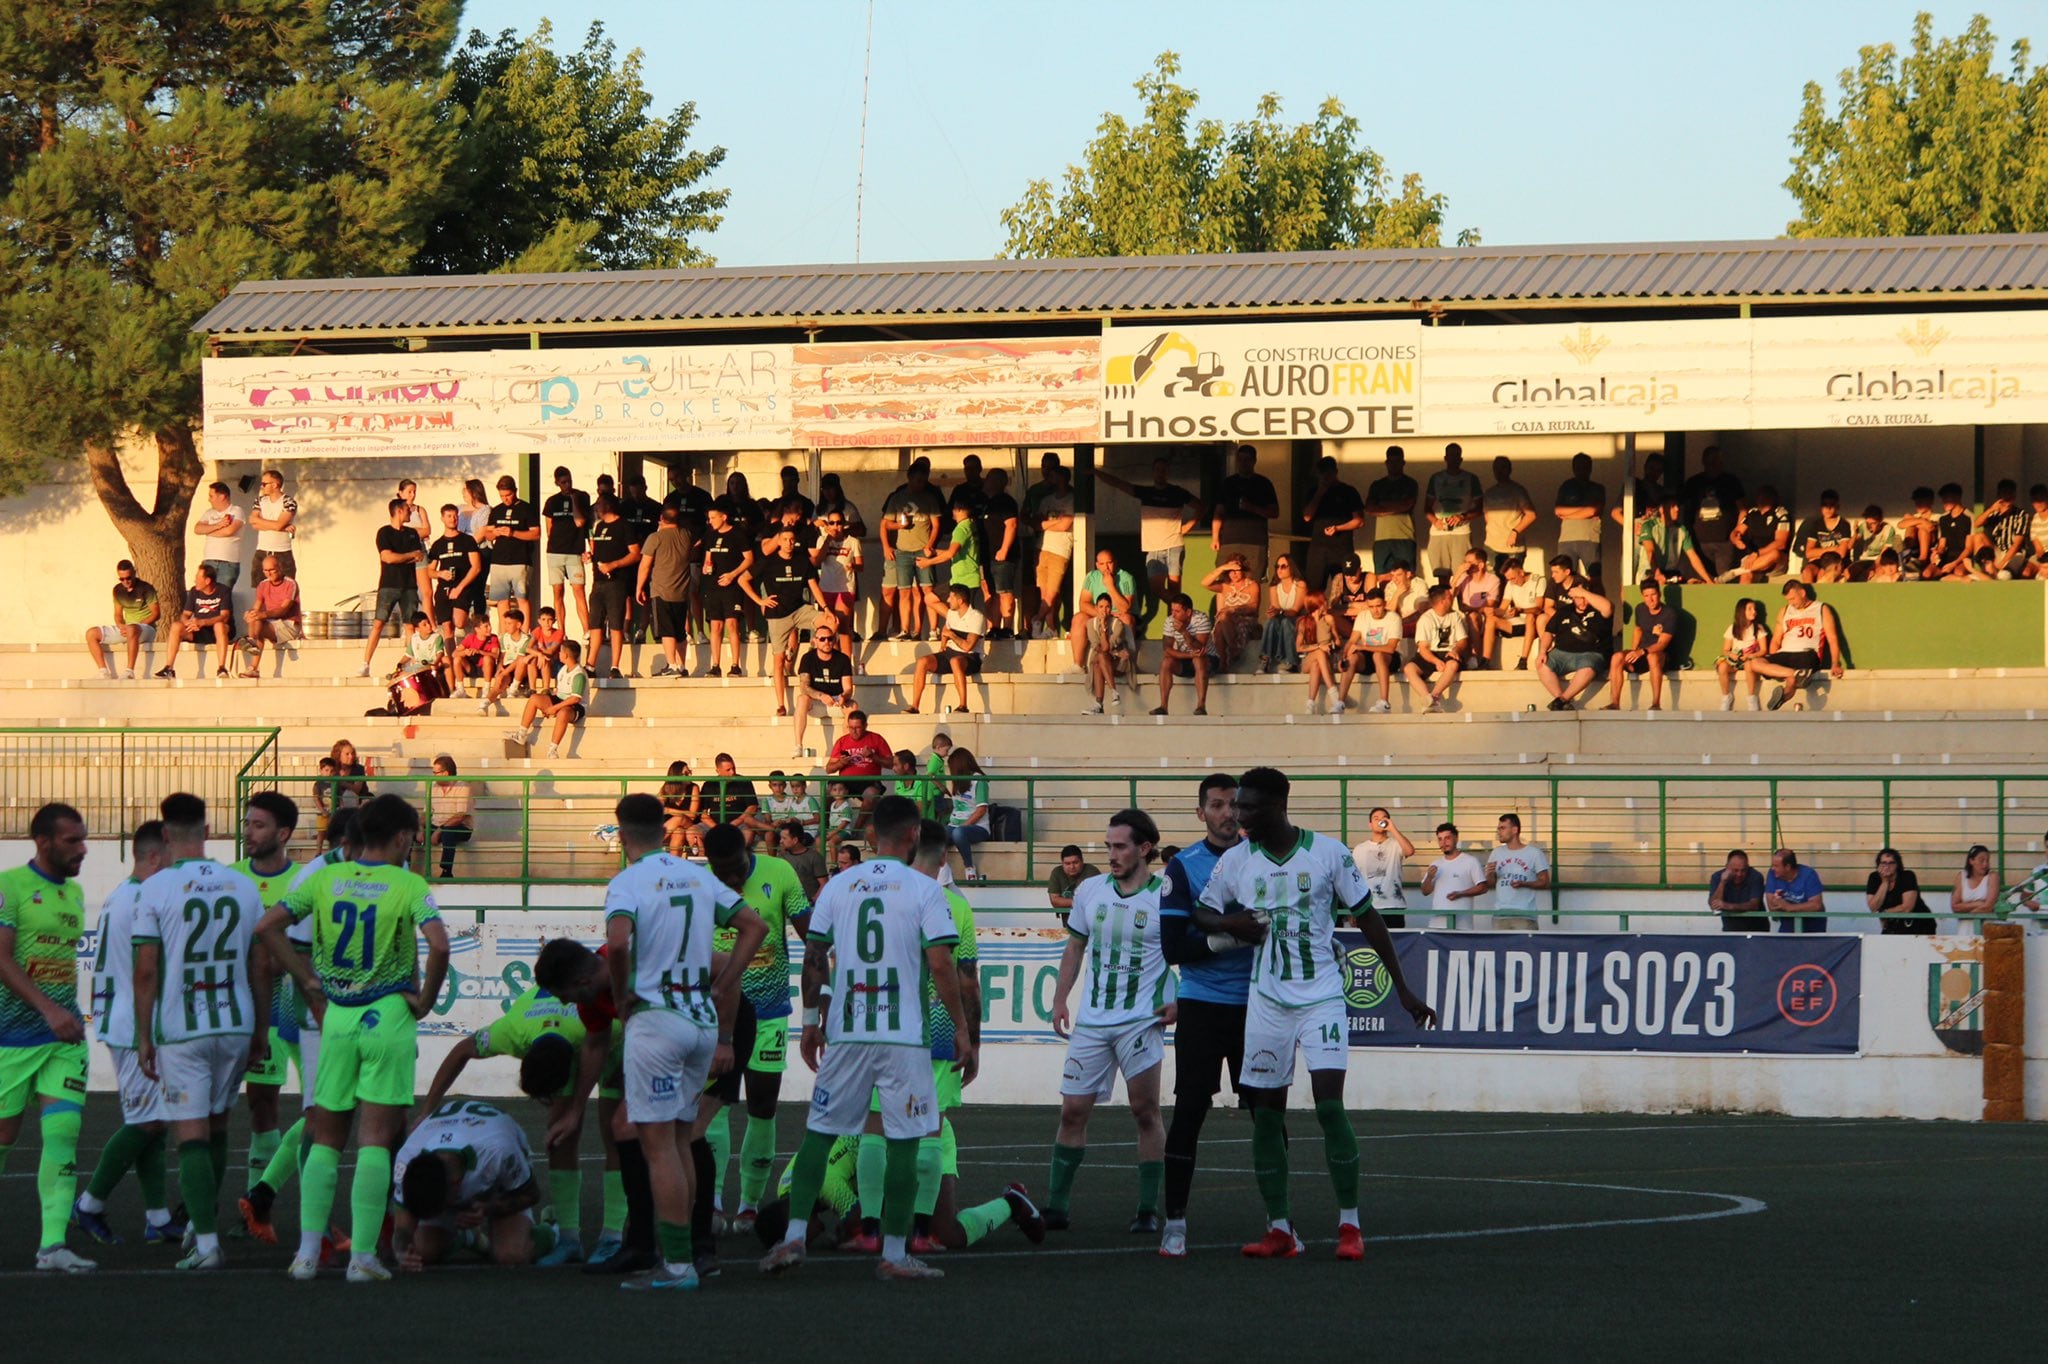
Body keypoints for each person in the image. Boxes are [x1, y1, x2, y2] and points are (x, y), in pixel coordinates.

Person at [1191, 767, 1432, 1260]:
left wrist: (1402, 989)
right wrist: (1228, 921)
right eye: (1236, 806)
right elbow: (1201, 912)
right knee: (1264, 1116)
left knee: (1328, 1106)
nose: (1238, 815)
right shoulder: (1237, 860)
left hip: (1321, 995)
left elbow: (1367, 916)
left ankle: (1350, 1226)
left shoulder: (1329, 853)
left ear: (1279, 805)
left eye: (1248, 807)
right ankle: (1279, 1228)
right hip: (1266, 1003)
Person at [759, 795, 974, 1282]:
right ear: (915, 834)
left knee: (820, 1131)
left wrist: (811, 1020)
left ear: (872, 835)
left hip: (849, 1030)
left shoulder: (838, 885)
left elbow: (814, 955)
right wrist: (961, 1028)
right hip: (904, 1036)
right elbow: (942, 964)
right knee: (903, 1141)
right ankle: (895, 1254)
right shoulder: (924, 890)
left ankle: (793, 1235)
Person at [258, 793, 450, 1282]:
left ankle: (305, 1254)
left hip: (337, 1016)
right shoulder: (408, 883)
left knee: (325, 1138)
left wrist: (306, 979)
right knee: (376, 1139)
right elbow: (440, 945)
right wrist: (424, 1001)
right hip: (387, 1014)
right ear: (403, 836)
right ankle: (362, 1257)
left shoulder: (324, 877)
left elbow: (269, 926)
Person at [590, 794, 765, 1291]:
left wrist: (622, 995)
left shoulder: (627, 881)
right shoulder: (696, 875)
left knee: (658, 1145)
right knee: (684, 1137)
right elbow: (755, 927)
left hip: (657, 1020)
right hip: (700, 1019)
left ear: (622, 835)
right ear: (664, 830)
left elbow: (619, 943)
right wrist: (726, 982)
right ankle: (686, 1255)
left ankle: (678, 1265)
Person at [128, 793, 266, 1270]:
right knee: (220, 1124)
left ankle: (206, 1244)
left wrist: (144, 1037)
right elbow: (258, 963)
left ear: (165, 836)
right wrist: (260, 1031)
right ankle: (200, 1221)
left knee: (190, 1135)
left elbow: (146, 971)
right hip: (235, 1020)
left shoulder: (157, 888)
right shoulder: (243, 885)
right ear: (209, 832)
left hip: (183, 1027)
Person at [1044, 809, 1173, 1234]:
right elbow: (1075, 947)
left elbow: (1187, 956)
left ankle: (1146, 1210)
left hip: (1141, 1020)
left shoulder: (1165, 896)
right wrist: (1061, 999)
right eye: (1108, 846)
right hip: (1093, 1022)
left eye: (1119, 847)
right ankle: (1057, 1207)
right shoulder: (1090, 890)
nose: (1112, 855)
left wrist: (1180, 1000)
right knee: (1072, 1111)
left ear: (1144, 849)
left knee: (1144, 1111)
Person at [70, 820, 180, 1250]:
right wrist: (146, 1032)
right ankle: (90, 1203)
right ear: (155, 856)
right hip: (135, 1027)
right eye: (170, 857)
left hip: (128, 1022)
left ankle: (157, 1218)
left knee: (154, 1122)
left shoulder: (123, 894)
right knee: (147, 1121)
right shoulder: (143, 900)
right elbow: (144, 970)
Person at [1152, 774, 1245, 1257]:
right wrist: (1233, 937)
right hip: (1203, 1004)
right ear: (1201, 813)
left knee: (1269, 1115)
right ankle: (1175, 1222)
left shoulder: (1264, 861)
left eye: (1233, 804)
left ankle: (1280, 1220)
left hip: (1260, 1006)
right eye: (1217, 804)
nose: (1227, 812)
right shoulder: (1184, 867)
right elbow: (1172, 946)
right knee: (1189, 1112)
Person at [703, 821, 811, 1236]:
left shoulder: (780, 872)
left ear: (747, 852)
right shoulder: (699, 884)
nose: (729, 879)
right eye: (720, 871)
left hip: (768, 1012)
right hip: (715, 1015)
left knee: (762, 1106)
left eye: (735, 868)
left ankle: (749, 1204)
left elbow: (811, 935)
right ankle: (710, 1199)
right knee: (712, 1104)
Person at [392, 1099, 548, 1270]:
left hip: (500, 1184)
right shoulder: (407, 1159)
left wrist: (489, 1207)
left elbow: (531, 1193)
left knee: (511, 1255)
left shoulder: (498, 1150)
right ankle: (467, 1237)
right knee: (421, 1252)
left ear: (456, 1186)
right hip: (457, 1141)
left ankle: (551, 1230)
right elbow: (403, 1228)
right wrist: (401, 1251)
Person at [1100, 455, 1203, 605]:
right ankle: (1184, 611)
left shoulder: (1177, 492)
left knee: (1174, 591)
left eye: (1163, 470)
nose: (1160, 473)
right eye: (1157, 470)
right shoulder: (1146, 492)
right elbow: (1119, 483)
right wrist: (1096, 472)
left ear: (1167, 472)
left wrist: (1188, 526)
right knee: (1157, 589)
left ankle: (1176, 624)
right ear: (1153, 472)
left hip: (1174, 546)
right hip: (1153, 549)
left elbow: (1201, 507)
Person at [758, 523, 834, 716]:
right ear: (779, 541)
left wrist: (826, 608)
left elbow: (814, 586)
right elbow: (743, 579)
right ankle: (781, 704)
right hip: (778, 615)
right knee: (778, 659)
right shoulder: (769, 561)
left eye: (792, 540)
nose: (789, 543)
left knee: (831, 623)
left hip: (799, 609)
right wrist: (760, 600)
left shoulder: (802, 561)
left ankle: (814, 658)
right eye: (785, 540)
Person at [1742, 579, 1845, 711]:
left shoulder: (1821, 609)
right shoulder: (1785, 611)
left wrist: (1835, 663)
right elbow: (1776, 640)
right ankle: (1794, 678)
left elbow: (1832, 638)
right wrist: (1774, 663)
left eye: (1793, 599)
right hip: (1785, 653)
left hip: (1807, 653)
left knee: (1791, 681)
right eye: (1788, 600)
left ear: (1802, 593)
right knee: (1754, 663)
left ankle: (1789, 685)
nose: (1791, 603)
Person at [882, 457, 947, 642]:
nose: (921, 484)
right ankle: (905, 629)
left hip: (922, 550)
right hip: (902, 551)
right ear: (909, 477)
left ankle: (929, 630)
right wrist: (899, 527)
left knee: (926, 590)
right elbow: (886, 524)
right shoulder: (897, 497)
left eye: (924, 480)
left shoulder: (930, 497)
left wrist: (930, 545)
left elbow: (936, 525)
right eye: (918, 480)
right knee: (904, 591)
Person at [361, 497, 425, 677]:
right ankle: (365, 664)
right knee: (379, 623)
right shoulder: (384, 533)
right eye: (407, 509)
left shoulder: (412, 534)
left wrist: (402, 556)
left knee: (410, 626)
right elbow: (387, 557)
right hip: (389, 584)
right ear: (398, 511)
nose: (410, 512)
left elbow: (418, 556)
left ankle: (410, 665)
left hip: (409, 586)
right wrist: (408, 556)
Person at [1536, 571, 1613, 711]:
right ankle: (1561, 700)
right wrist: (1542, 651)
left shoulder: (1599, 609)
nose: (1582, 602)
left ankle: (1562, 700)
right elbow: (1549, 632)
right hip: (1562, 653)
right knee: (1541, 664)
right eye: (1578, 598)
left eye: (1584, 598)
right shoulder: (1564, 611)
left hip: (1590, 654)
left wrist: (1584, 592)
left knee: (1588, 668)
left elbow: (1608, 607)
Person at [906, 583, 986, 716]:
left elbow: (968, 646)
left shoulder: (976, 617)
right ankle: (914, 706)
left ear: (960, 601)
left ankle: (963, 705)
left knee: (955, 661)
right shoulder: (952, 614)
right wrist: (943, 644)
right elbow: (945, 630)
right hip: (950, 652)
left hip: (971, 656)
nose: (948, 600)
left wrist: (952, 636)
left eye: (951, 597)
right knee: (922, 661)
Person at [700, 497, 758, 677]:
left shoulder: (737, 534)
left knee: (732, 624)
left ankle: (735, 665)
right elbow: (708, 557)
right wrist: (706, 566)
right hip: (713, 586)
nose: (710, 521)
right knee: (715, 625)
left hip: (732, 587)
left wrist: (733, 575)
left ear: (724, 517)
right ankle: (715, 665)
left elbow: (749, 558)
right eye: (709, 518)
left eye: (713, 518)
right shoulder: (710, 534)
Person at [586, 496, 641, 679]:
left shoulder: (624, 526)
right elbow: (598, 552)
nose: (597, 507)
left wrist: (614, 565)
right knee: (595, 624)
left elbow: (635, 554)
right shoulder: (599, 526)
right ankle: (590, 665)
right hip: (598, 581)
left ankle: (615, 666)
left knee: (616, 624)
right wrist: (589, 556)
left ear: (608, 506)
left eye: (600, 504)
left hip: (616, 583)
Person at [635, 506, 694, 678]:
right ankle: (682, 665)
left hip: (662, 590)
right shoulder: (686, 535)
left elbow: (645, 565)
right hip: (682, 591)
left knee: (667, 629)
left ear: (661, 518)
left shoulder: (655, 538)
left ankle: (672, 664)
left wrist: (639, 587)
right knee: (680, 631)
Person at [1603, 579, 1679, 711]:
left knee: (1652, 657)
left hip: (1661, 656)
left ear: (1659, 595)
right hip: (1642, 653)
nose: (1650, 599)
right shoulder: (1640, 609)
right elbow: (1637, 629)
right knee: (1617, 657)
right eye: (1646, 596)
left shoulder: (1669, 613)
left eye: (1653, 595)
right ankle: (1614, 703)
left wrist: (1642, 651)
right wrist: (1634, 651)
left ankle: (1656, 703)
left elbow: (1662, 643)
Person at [479, 475, 541, 631]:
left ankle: (525, 633)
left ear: (515, 491)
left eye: (508, 495)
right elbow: (488, 534)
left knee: (522, 599)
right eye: (502, 496)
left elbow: (536, 534)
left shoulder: (526, 508)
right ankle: (504, 635)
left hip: (520, 560)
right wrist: (496, 533)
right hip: (499, 561)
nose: (506, 499)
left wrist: (513, 533)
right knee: (501, 600)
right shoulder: (497, 510)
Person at [153, 562, 235, 678]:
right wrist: (189, 623)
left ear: (207, 581)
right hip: (200, 630)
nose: (195, 581)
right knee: (176, 626)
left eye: (197, 578)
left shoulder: (223, 590)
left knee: (219, 626)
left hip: (219, 630)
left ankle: (221, 668)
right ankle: (169, 668)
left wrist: (203, 622)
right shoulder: (194, 591)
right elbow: (185, 614)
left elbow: (224, 616)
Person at [1298, 454, 1365, 594]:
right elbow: (1307, 517)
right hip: (1318, 549)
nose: (1326, 477)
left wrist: (1338, 528)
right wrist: (1320, 493)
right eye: (1322, 474)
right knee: (1314, 588)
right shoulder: (1313, 492)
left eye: (1328, 473)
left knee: (1342, 588)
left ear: (1335, 472)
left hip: (1342, 548)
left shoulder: (1348, 492)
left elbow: (1359, 521)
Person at [1026, 456, 1076, 640]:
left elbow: (1066, 525)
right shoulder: (1046, 500)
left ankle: (1036, 620)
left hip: (1060, 549)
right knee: (1043, 591)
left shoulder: (1072, 498)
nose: (1050, 480)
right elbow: (1037, 523)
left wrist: (1046, 524)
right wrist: (1051, 524)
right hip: (1042, 547)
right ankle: (1051, 628)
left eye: (1054, 476)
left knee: (1052, 591)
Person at [1212, 444, 1279, 582]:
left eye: (1247, 460)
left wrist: (1253, 508)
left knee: (1252, 581)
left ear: (1254, 461)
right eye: (1240, 459)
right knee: (1226, 582)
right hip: (1229, 540)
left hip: (1255, 542)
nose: (1243, 463)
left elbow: (1274, 512)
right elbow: (1219, 512)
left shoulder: (1263, 483)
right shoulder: (1228, 483)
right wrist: (1215, 537)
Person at [86, 559, 162, 679]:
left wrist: (138, 625)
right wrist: (120, 625)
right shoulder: (118, 590)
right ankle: (103, 671)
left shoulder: (146, 588)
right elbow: (118, 614)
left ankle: (129, 671)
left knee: (132, 628)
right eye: (122, 579)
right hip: (128, 628)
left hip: (146, 628)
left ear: (134, 574)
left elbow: (156, 614)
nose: (125, 581)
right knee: (91, 633)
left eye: (128, 578)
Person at [1332, 588, 1402, 715]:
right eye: (1371, 607)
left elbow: (1391, 647)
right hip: (1367, 656)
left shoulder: (1394, 618)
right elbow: (1352, 640)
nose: (1375, 610)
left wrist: (1363, 647)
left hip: (1388, 657)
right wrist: (1343, 657)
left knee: (1378, 655)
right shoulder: (1363, 616)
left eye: (1378, 606)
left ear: (1384, 604)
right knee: (1352, 658)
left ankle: (1384, 702)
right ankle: (1340, 702)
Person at [1421, 443, 1484, 583]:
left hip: (1461, 532)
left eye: (1456, 456)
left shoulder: (1471, 478)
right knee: (1442, 576)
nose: (1453, 459)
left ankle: (1463, 605)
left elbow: (1480, 508)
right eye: (1450, 456)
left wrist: (1462, 517)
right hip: (1439, 532)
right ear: (1445, 458)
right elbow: (1427, 508)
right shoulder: (1436, 478)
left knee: (1463, 576)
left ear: (1461, 459)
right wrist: (1435, 521)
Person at [541, 466, 592, 637]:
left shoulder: (582, 496)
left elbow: (580, 522)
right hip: (555, 552)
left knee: (578, 590)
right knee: (558, 591)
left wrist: (574, 500)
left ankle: (586, 630)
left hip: (574, 551)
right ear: (557, 483)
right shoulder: (551, 501)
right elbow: (548, 529)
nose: (567, 485)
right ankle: (562, 631)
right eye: (563, 482)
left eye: (569, 480)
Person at [790, 626, 855, 759]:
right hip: (816, 703)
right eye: (822, 639)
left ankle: (846, 748)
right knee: (802, 699)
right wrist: (821, 696)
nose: (827, 642)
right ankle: (798, 745)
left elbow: (848, 688)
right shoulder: (807, 658)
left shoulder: (843, 659)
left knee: (853, 706)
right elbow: (804, 686)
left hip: (836, 702)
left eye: (830, 639)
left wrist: (844, 696)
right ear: (815, 641)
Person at [1403, 583, 1470, 713]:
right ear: (1442, 601)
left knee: (1452, 665)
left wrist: (1455, 650)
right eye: (1450, 597)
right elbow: (1423, 648)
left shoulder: (1454, 616)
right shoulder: (1426, 619)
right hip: (1430, 654)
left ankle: (1434, 696)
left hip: (1448, 652)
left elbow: (1462, 640)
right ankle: (1426, 697)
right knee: (1409, 668)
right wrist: (1436, 661)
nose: (1452, 599)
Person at [1681, 445, 1744, 581]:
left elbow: (1743, 509)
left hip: (1725, 542)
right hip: (1699, 542)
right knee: (1702, 579)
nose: (1713, 465)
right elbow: (1683, 510)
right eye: (1710, 462)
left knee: (1724, 579)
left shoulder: (1731, 482)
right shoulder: (1693, 483)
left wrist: (1737, 530)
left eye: (1717, 461)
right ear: (1703, 462)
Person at [236, 553, 304, 678]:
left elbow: (283, 610)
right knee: (255, 619)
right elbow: (256, 606)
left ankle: (252, 643)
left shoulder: (290, 584)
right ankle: (253, 659)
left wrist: (262, 614)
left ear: (280, 568)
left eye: (272, 570)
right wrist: (250, 613)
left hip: (288, 624)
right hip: (270, 624)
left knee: (259, 621)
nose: (269, 573)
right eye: (265, 570)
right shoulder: (262, 585)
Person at [1069, 548, 1137, 671]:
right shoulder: (1092, 576)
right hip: (1101, 614)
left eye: (1109, 563)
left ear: (1115, 562)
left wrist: (1110, 586)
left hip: (1119, 616)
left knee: (1127, 619)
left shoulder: (1126, 578)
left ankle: (1126, 664)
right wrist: (1103, 615)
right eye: (1102, 564)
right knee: (1079, 618)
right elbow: (1083, 603)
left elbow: (1125, 608)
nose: (1106, 567)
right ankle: (1077, 665)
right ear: (1097, 565)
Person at [1483, 814, 1552, 931]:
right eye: (1498, 828)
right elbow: (1490, 884)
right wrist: (1489, 874)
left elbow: (1545, 881)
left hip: (1525, 915)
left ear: (1515, 830)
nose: (1499, 832)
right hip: (1500, 914)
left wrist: (1525, 884)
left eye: (1502, 828)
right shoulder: (1496, 852)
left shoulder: (1533, 853)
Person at [974, 467, 1021, 638]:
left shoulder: (1005, 501)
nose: (987, 482)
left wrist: (1004, 549)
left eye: (991, 479)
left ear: (1000, 482)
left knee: (1004, 590)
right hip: (987, 556)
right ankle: (994, 627)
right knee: (992, 592)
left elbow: (1011, 525)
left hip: (1002, 556)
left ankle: (1007, 628)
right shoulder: (987, 502)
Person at [1152, 593, 1214, 717]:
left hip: (1209, 659)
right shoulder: (1170, 621)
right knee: (1166, 662)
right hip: (1187, 658)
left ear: (1188, 612)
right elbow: (1167, 649)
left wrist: (1184, 632)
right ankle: (1163, 706)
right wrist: (1190, 656)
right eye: (1172, 610)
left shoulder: (1201, 619)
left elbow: (1199, 648)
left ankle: (1201, 706)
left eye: (1177, 611)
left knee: (1198, 659)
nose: (1173, 614)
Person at [1351, 807, 1414, 929]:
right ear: (1370, 825)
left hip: (1393, 906)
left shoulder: (1396, 844)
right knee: (1368, 946)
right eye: (1376, 818)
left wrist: (1392, 828)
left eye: (1383, 818)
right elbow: (1355, 881)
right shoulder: (1360, 849)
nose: (1380, 821)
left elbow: (1409, 851)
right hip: (1368, 907)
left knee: (1393, 945)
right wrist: (1353, 909)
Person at [1361, 446, 1419, 575]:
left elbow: (1406, 505)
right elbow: (1369, 509)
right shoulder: (1377, 485)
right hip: (1381, 538)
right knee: (1382, 577)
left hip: (1405, 536)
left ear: (1403, 463)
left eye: (1397, 461)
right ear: (1386, 463)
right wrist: (1395, 507)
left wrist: (1381, 505)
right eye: (1391, 462)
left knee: (1407, 575)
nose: (1394, 465)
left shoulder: (1410, 483)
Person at [814, 505, 865, 651]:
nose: (836, 526)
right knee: (829, 627)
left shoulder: (853, 542)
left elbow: (861, 566)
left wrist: (852, 566)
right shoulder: (822, 540)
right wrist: (828, 538)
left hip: (845, 587)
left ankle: (846, 663)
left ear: (844, 524)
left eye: (839, 523)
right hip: (826, 587)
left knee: (843, 626)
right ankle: (833, 659)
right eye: (832, 523)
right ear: (828, 524)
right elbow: (818, 561)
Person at [1419, 822, 1487, 930]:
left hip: (1462, 925)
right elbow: (1425, 891)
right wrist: (1429, 877)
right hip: (1436, 924)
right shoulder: (1435, 864)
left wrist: (1461, 893)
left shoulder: (1470, 861)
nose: (1443, 843)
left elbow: (1483, 887)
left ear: (1456, 838)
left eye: (1447, 838)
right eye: (1440, 839)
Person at [1080, 592, 1138, 715]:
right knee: (1098, 660)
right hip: (1106, 660)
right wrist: (1115, 652)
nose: (1104, 610)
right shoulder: (1091, 624)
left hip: (1120, 664)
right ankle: (1113, 693)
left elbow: (1106, 647)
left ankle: (1099, 704)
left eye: (1107, 607)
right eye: (1101, 607)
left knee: (1099, 658)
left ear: (1110, 608)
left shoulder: (1118, 624)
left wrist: (1104, 629)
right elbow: (1098, 647)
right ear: (1096, 608)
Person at [1201, 555, 1261, 671]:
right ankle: (1227, 657)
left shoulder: (1252, 585)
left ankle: (1229, 655)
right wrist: (1222, 568)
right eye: (1230, 571)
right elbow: (1204, 583)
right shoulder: (1225, 586)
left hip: (1245, 620)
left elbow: (1253, 607)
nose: (1234, 573)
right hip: (1226, 622)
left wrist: (1233, 609)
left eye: (1236, 570)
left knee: (1223, 618)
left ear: (1243, 569)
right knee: (1220, 625)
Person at [1481, 455, 1538, 575]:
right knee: (1493, 583)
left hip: (1513, 547)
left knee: (1512, 582)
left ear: (1509, 470)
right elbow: (1487, 517)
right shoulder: (1489, 492)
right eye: (1496, 468)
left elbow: (1531, 515)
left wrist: (1515, 532)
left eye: (1503, 468)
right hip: (1491, 546)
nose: (1499, 471)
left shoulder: (1517, 490)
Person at [1638, 493, 1712, 585]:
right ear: (1662, 509)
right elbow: (1650, 551)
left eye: (1677, 506)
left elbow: (1693, 556)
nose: (1677, 509)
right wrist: (1657, 573)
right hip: (1650, 574)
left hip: (1670, 574)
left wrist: (1709, 580)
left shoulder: (1682, 529)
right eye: (1672, 506)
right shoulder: (1649, 526)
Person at [944, 748, 993, 880]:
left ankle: (969, 868)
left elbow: (981, 809)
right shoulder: (955, 781)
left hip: (978, 827)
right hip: (954, 824)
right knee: (936, 834)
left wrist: (964, 825)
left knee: (959, 833)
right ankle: (941, 870)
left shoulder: (979, 780)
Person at [1484, 559, 1542, 671]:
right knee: (1491, 619)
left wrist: (1520, 610)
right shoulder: (1510, 584)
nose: (1512, 582)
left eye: (1513, 578)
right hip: (1517, 622)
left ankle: (1523, 660)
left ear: (1521, 572)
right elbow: (1502, 608)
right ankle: (1485, 661)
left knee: (1530, 617)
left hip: (1532, 622)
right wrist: (1492, 611)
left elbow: (1539, 608)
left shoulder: (1538, 580)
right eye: (1509, 579)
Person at [1726, 485, 1791, 584]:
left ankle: (1736, 572)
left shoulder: (1781, 514)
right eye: (1759, 496)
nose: (1760, 498)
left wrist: (1758, 553)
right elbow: (1736, 531)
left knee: (1775, 553)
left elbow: (1781, 543)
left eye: (1764, 496)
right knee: (1747, 576)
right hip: (1752, 559)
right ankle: (1743, 597)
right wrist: (1736, 538)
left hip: (1773, 561)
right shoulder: (1753, 513)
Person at [1713, 598, 1769, 712]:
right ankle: (1726, 696)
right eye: (1750, 609)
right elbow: (1725, 649)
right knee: (1722, 666)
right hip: (1736, 660)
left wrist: (1751, 656)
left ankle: (1752, 697)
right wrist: (1732, 655)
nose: (1754, 611)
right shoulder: (1732, 628)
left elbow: (1764, 650)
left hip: (1751, 659)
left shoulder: (1758, 628)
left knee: (1749, 665)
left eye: (1754, 609)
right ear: (1741, 611)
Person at [1255, 553, 1307, 674]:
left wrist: (1280, 612)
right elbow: (1276, 608)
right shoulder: (1274, 587)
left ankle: (1290, 661)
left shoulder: (1300, 585)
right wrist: (1273, 612)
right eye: (1277, 566)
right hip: (1282, 618)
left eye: (1283, 566)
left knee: (1285, 622)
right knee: (1270, 622)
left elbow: (1295, 610)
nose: (1279, 570)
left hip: (1297, 619)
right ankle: (1265, 659)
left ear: (1291, 567)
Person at [192, 481, 247, 592]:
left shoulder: (236, 511)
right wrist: (218, 525)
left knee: (222, 595)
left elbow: (228, 531)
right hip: (209, 561)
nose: (209, 499)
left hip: (227, 562)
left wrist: (208, 531)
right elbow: (197, 529)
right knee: (206, 594)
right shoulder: (209, 513)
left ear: (222, 496)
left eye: (211, 496)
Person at [248, 468, 299, 581]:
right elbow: (253, 522)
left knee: (285, 587)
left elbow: (277, 525)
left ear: (275, 485)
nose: (262, 487)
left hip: (281, 552)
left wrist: (276, 526)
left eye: (264, 484)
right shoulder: (260, 501)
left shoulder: (288, 502)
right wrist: (283, 528)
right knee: (260, 588)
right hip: (262, 550)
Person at [427, 755, 473, 878]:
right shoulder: (433, 787)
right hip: (436, 825)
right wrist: (421, 828)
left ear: (446, 773)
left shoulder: (462, 786)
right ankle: (405, 869)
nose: (433, 776)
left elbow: (460, 816)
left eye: (435, 773)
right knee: (409, 833)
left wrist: (439, 830)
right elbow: (426, 812)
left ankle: (446, 872)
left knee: (448, 833)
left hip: (460, 827)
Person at [1795, 490, 1856, 581]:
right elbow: (1809, 553)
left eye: (1831, 505)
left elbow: (1842, 553)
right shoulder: (1815, 525)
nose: (1828, 509)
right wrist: (1830, 549)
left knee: (1823, 573)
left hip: (1838, 561)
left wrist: (1818, 553)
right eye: (1825, 505)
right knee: (1807, 572)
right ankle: (1808, 594)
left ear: (1837, 506)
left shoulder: (1844, 524)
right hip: (1822, 560)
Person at [1298, 592, 1342, 716]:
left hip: (1326, 660)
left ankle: (1310, 704)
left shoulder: (1328, 619)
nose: (1326, 604)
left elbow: (1338, 640)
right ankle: (1333, 693)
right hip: (1308, 659)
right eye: (1324, 602)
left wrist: (1332, 645)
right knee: (1318, 653)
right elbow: (1299, 647)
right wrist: (1319, 646)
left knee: (1316, 665)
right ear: (1318, 604)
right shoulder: (1304, 622)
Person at [1764, 848, 1826, 934]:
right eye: (1772, 865)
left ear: (1787, 867)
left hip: (1813, 927)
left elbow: (1816, 905)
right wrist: (1801, 907)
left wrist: (1789, 907)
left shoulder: (1809, 874)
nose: (1772, 868)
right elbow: (1772, 907)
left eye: (1776, 866)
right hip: (1788, 926)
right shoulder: (1773, 874)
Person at [825, 709, 893, 784]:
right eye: (850, 727)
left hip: (870, 783)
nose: (853, 731)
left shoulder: (876, 739)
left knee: (870, 793)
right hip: (846, 785)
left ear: (865, 726)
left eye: (857, 728)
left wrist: (873, 756)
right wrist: (841, 763)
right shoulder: (841, 741)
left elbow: (891, 764)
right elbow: (828, 769)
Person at [1708, 850, 1767, 932]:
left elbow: (1754, 905)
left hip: (1757, 930)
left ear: (1748, 867)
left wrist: (1727, 906)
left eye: (1743, 870)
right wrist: (1722, 882)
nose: (1739, 874)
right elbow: (1714, 906)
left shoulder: (1756, 876)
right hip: (1730, 931)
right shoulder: (1717, 877)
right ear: (1727, 868)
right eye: (1735, 870)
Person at [1951, 845, 2000, 936]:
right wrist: (1978, 903)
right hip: (1965, 930)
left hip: (1987, 929)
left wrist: (1967, 912)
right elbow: (1955, 907)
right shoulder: (1961, 876)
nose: (1985, 864)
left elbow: (1989, 906)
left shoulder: (1993, 876)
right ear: (1971, 861)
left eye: (1987, 861)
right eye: (1981, 860)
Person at [1044, 845, 1100, 921]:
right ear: (1062, 863)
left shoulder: (1092, 872)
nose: (1072, 867)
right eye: (1067, 863)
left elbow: (1095, 900)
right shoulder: (1057, 872)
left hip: (1089, 919)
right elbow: (1055, 901)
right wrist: (1079, 902)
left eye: (1075, 862)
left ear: (1082, 861)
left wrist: (1065, 902)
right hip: (1068, 919)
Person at [778, 824, 829, 903]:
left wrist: (814, 900)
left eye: (784, 838)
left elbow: (824, 883)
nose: (781, 841)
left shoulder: (814, 857)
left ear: (795, 840)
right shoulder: (782, 856)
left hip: (808, 904)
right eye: (781, 838)